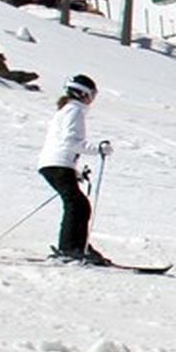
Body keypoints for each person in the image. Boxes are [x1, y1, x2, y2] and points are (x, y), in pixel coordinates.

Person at [36, 73, 111, 263]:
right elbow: (71, 141)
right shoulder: (74, 111)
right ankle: (70, 248)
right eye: (91, 95)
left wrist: (73, 170)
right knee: (77, 205)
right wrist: (98, 149)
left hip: (56, 164)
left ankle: (78, 245)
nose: (92, 100)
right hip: (58, 163)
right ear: (82, 94)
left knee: (78, 205)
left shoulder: (67, 110)